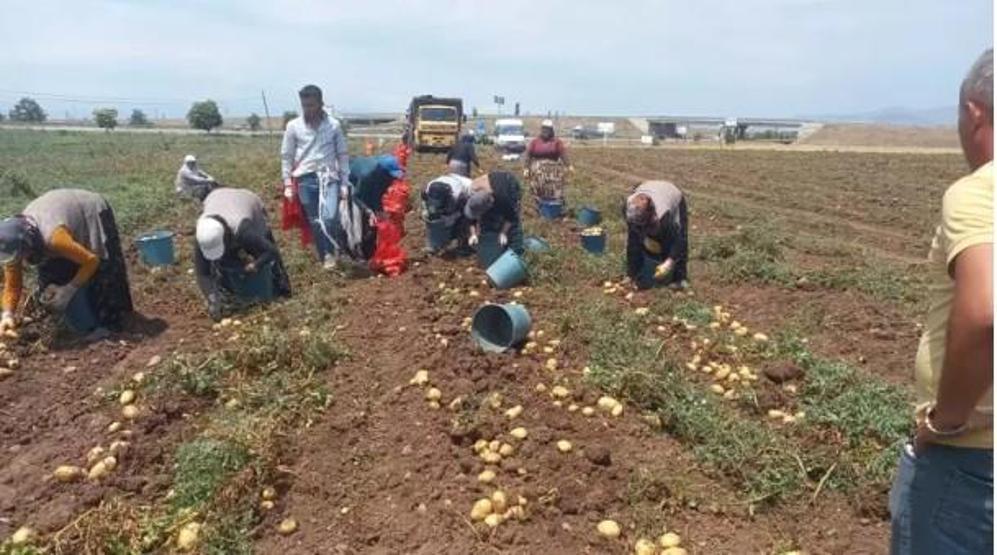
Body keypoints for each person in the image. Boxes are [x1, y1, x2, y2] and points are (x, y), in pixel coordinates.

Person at [889, 49, 993, 555]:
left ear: (974, 112)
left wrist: (945, 421)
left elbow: (986, 313)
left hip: (974, 462)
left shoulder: (980, 193)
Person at [0, 189, 133, 336]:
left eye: (23, 255)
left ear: (28, 243)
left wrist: (70, 288)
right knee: (53, 278)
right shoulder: (11, 246)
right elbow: (12, 285)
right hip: (60, 218)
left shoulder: (54, 238)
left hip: (90, 209)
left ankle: (113, 324)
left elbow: (91, 261)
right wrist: (8, 314)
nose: (21, 261)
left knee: (104, 270)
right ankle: (73, 323)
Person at [281, 84, 351, 270]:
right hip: (305, 179)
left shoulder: (334, 125)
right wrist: (288, 184)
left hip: (329, 177)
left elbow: (342, 154)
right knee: (315, 220)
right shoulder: (293, 126)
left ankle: (336, 248)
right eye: (304, 105)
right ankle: (326, 255)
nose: (307, 109)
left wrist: (344, 182)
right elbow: (287, 156)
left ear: (321, 103)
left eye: (311, 105)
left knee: (329, 217)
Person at [194, 188, 291, 321]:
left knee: (260, 250)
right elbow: (202, 273)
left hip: (247, 201)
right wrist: (212, 299)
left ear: (226, 235)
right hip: (216, 197)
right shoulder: (204, 233)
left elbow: (271, 251)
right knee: (224, 262)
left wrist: (255, 265)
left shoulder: (243, 230)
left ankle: (280, 287)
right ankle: (231, 291)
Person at [624, 180, 688, 290]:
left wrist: (669, 262)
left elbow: (678, 241)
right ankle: (633, 274)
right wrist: (631, 273)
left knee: (676, 236)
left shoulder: (663, 216)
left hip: (672, 193)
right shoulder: (629, 207)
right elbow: (632, 241)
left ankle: (679, 279)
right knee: (635, 239)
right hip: (650, 188)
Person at [464, 171, 524, 256]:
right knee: (487, 224)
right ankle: (491, 246)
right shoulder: (471, 192)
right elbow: (471, 218)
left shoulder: (502, 199)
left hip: (509, 182)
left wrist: (503, 232)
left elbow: (512, 217)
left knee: (513, 227)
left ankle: (515, 251)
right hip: (491, 185)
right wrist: (473, 234)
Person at [422, 171, 472, 254]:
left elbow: (459, 211)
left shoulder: (458, 195)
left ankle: (461, 243)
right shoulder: (428, 189)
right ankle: (434, 245)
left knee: (464, 219)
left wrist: (450, 218)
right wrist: (427, 212)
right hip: (449, 179)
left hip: (466, 191)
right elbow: (426, 205)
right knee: (433, 217)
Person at [524, 119, 573, 202]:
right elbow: (528, 154)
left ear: (551, 130)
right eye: (544, 128)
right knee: (538, 180)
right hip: (538, 166)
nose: (545, 131)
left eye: (548, 129)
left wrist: (569, 165)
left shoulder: (557, 142)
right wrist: (526, 168)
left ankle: (555, 201)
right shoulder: (535, 142)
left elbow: (563, 154)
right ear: (541, 129)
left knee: (556, 182)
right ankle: (537, 200)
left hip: (553, 167)